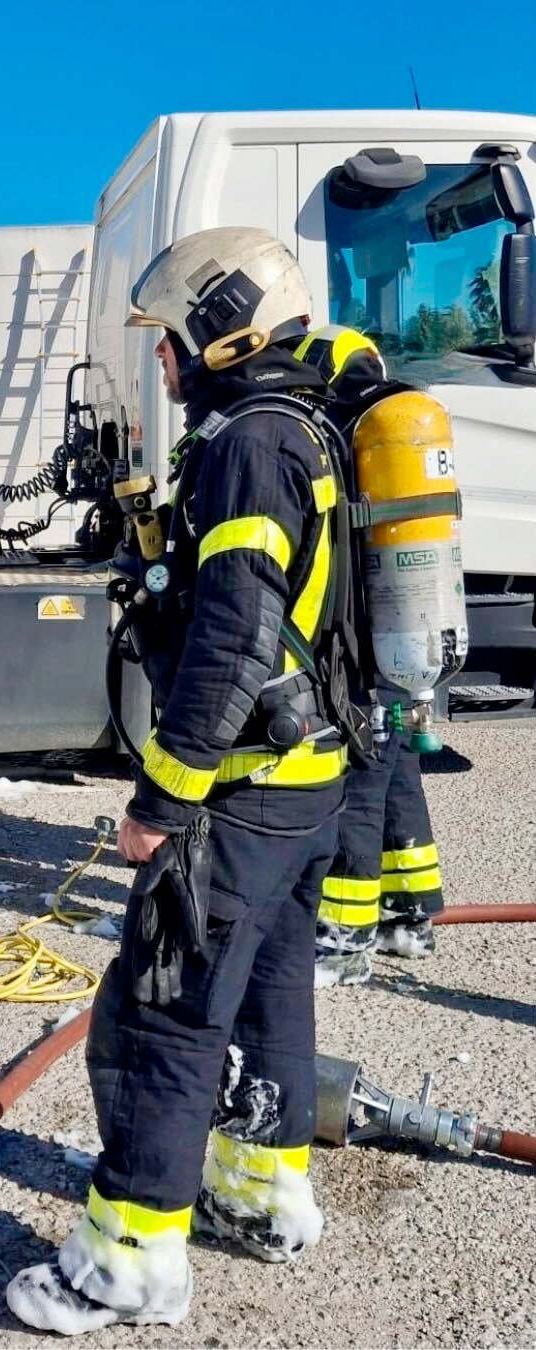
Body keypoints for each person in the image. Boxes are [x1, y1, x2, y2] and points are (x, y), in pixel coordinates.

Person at [7, 228, 356, 1334]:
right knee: (271, 997)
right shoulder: (307, 427)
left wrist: (162, 804)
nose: (161, 361)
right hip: (306, 787)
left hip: (240, 795)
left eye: (170, 339)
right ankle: (261, 1198)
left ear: (226, 331)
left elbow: (234, 640)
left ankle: (127, 1264)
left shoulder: (250, 443)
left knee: (164, 1014)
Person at [295, 325, 445, 985]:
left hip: (366, 642)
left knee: (358, 781)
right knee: (399, 774)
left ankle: (344, 937)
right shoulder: (397, 430)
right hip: (413, 637)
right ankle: (410, 916)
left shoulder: (340, 437)